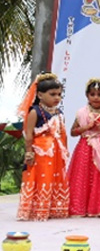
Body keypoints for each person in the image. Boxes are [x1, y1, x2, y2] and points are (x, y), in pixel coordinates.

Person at [17, 73, 69, 221]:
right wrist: (29, 152)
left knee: (55, 177)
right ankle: (39, 209)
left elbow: (62, 132)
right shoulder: (35, 111)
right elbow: (28, 133)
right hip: (41, 151)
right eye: (52, 94)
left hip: (56, 150)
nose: (57, 98)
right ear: (40, 94)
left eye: (59, 94)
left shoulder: (59, 112)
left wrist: (65, 149)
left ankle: (54, 208)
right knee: (42, 177)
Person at [67, 78, 100, 217]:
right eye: (92, 94)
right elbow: (73, 132)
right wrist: (86, 127)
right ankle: (79, 208)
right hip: (85, 147)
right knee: (82, 176)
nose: (96, 97)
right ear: (87, 96)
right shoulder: (81, 113)